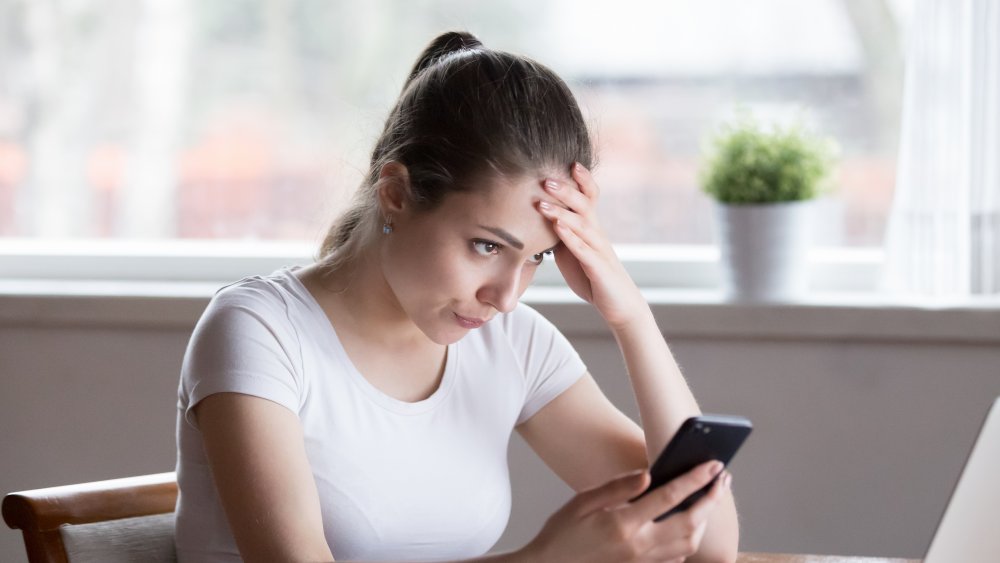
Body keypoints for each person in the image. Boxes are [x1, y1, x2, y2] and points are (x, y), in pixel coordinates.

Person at [174, 31, 740, 563]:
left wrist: (631, 316)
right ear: (396, 193)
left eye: (537, 257)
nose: (505, 298)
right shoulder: (259, 331)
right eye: (486, 245)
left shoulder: (511, 343)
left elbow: (708, 544)